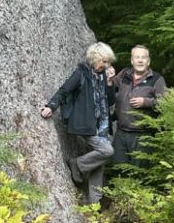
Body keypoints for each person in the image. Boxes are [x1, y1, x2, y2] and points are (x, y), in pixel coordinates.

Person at [41, 42, 116, 204]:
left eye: (108, 62)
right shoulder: (81, 73)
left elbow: (110, 102)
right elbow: (64, 90)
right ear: (95, 59)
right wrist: (51, 106)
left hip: (102, 125)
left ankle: (93, 204)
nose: (107, 65)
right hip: (86, 124)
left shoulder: (104, 75)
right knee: (107, 151)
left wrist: (110, 83)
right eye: (104, 61)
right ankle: (77, 164)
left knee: (99, 164)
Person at [112, 45, 166, 167]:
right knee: (118, 167)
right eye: (137, 57)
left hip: (143, 135)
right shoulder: (124, 74)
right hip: (121, 132)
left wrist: (145, 102)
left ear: (148, 61)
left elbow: (165, 103)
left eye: (143, 57)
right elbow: (109, 89)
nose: (140, 60)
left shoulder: (157, 79)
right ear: (132, 60)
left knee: (139, 171)